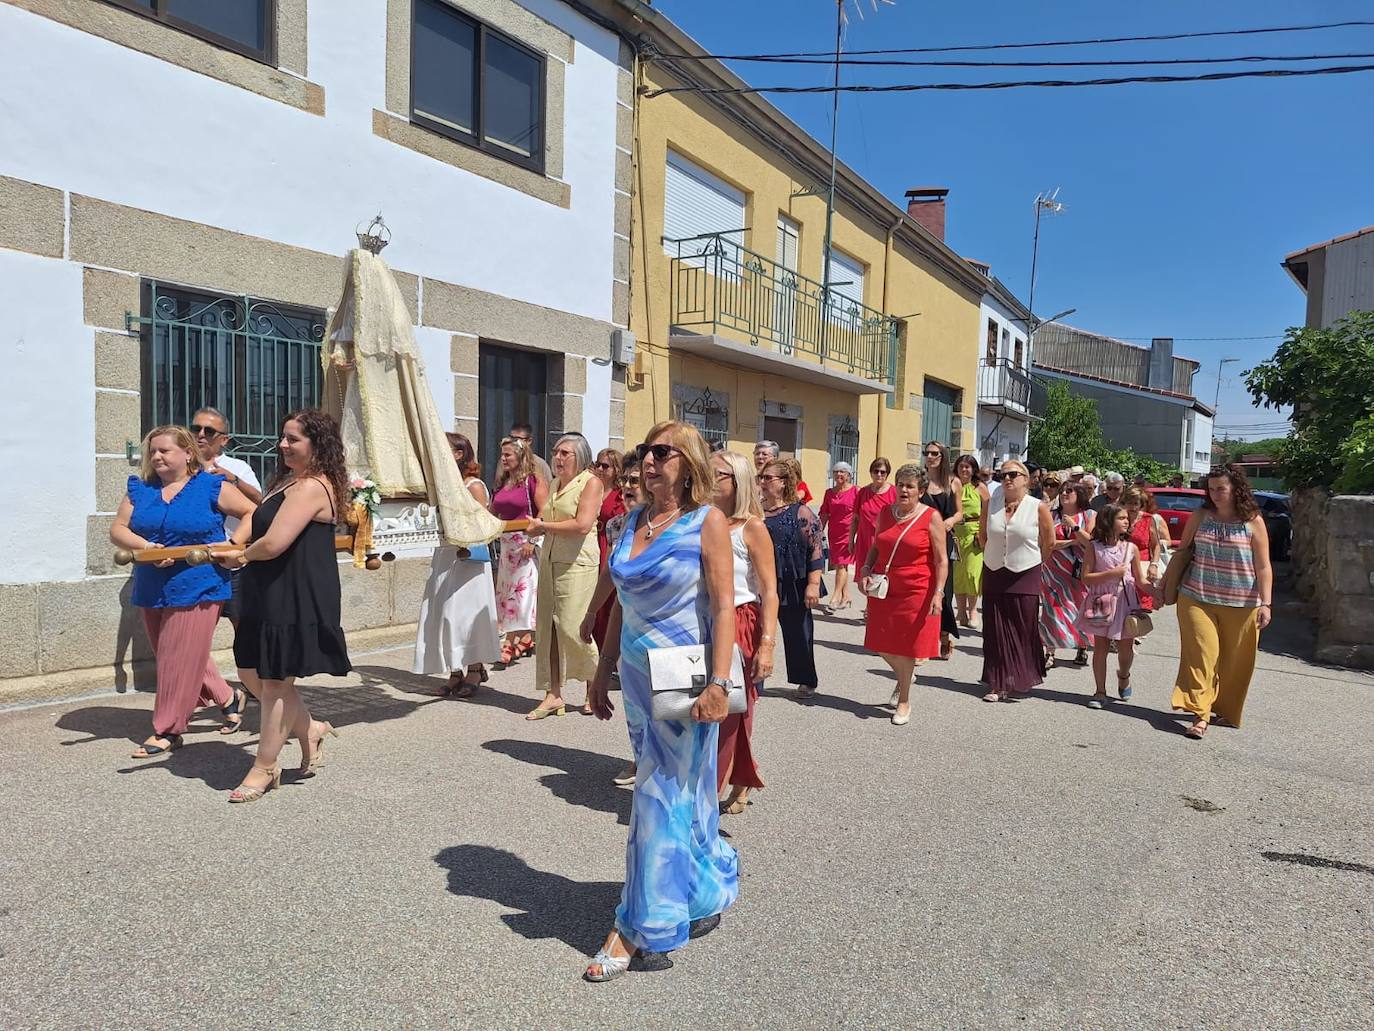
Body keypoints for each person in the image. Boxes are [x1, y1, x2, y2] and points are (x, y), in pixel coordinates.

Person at [583, 421, 738, 981]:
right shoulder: (630, 522)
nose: (648, 461)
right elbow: (623, 599)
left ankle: (636, 924)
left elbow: (723, 607)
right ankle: (704, 884)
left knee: (655, 796)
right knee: (684, 795)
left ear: (688, 464)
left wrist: (719, 683)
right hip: (637, 680)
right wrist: (601, 669)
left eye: (661, 453)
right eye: (644, 452)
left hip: (685, 681)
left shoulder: (707, 522)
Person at [215, 409, 351, 802]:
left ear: (317, 445)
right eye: (283, 437)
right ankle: (310, 728)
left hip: (295, 591)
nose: (283, 445)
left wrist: (241, 555)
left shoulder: (312, 487)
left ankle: (264, 767)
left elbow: (276, 542)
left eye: (293, 439)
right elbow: (255, 521)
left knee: (275, 681)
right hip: (265, 586)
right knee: (252, 672)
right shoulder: (288, 481)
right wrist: (238, 547)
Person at [111, 425, 256, 757]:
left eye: (165, 450)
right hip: (151, 586)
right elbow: (118, 529)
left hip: (199, 584)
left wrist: (234, 544)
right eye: (153, 451)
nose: (157, 456)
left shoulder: (209, 486)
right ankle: (228, 697)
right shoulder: (141, 489)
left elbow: (251, 512)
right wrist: (147, 546)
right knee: (179, 654)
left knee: (177, 659)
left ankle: (168, 729)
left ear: (188, 453)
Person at [1169, 464, 1272, 740]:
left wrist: (1266, 603)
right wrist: (1163, 585)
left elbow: (1263, 566)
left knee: (1234, 662)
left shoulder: (1253, 521)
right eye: (1211, 489)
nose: (1215, 494)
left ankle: (1225, 709)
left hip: (1242, 603)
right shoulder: (1201, 515)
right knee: (1202, 656)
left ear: (1236, 488)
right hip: (1196, 597)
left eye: (1221, 488)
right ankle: (1200, 714)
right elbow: (1182, 551)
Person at [710, 450, 779, 814]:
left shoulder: (751, 527)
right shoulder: (703, 519)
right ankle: (733, 779)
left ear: (737, 481)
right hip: (706, 618)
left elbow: (769, 590)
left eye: (717, 474)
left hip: (741, 619)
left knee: (736, 707)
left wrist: (767, 645)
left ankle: (722, 785)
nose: (707, 479)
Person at [413, 433, 500, 698]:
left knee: (466, 613)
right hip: (445, 554)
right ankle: (454, 671)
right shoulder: (443, 485)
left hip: (467, 558)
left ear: (460, 454)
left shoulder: (473, 485)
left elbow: (482, 524)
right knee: (445, 613)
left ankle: (475, 668)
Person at [524, 433, 604, 719]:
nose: (557, 458)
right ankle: (553, 693)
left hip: (577, 563)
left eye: (564, 453)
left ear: (580, 457)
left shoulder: (591, 483)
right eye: (556, 452)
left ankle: (594, 684)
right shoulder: (556, 484)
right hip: (550, 560)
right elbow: (548, 521)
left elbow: (583, 524)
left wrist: (543, 525)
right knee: (549, 629)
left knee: (574, 626)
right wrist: (537, 529)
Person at [860, 465, 946, 725]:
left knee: (907, 646)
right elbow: (877, 545)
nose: (904, 490)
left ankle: (904, 700)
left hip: (917, 586)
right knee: (879, 642)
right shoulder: (886, 512)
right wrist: (866, 566)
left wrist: (939, 593)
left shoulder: (931, 517)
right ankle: (905, 677)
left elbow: (942, 561)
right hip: (886, 585)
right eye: (901, 484)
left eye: (910, 486)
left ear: (920, 491)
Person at [978, 459, 1055, 702]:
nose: (1007, 479)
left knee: (1022, 627)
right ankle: (997, 681)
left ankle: (1017, 674)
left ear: (1026, 479)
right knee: (995, 628)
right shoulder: (991, 504)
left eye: (1013, 474)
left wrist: (1034, 561)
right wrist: (993, 555)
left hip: (1025, 571)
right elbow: (983, 536)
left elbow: (1049, 541)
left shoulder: (1037, 506)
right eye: (1003, 475)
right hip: (994, 569)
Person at [191, 407, 262, 636]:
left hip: (232, 562)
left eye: (209, 431)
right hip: (195, 561)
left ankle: (251, 671)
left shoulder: (238, 467)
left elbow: (260, 503)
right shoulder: (181, 466)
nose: (200, 434)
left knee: (243, 628)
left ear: (223, 439)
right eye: (195, 429)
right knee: (196, 632)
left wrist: (234, 480)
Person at [759, 458, 823, 698]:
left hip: (794, 581)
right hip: (763, 580)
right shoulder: (756, 510)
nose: (763, 482)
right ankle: (755, 674)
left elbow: (815, 548)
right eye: (761, 478)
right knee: (758, 630)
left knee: (798, 632)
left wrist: (813, 585)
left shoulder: (801, 511)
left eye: (768, 478)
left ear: (783, 482)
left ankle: (806, 679)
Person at [1077, 503, 1149, 708]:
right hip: (1101, 601)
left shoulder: (1130, 548)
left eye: (1127, 518)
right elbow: (1087, 578)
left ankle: (1124, 675)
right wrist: (1111, 574)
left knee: (1125, 648)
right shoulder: (1094, 547)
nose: (1127, 521)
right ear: (1109, 521)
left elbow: (1141, 580)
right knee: (1100, 647)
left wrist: (1158, 594)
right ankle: (1100, 691)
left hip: (1125, 603)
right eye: (1122, 518)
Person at [490, 437, 548, 665]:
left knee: (520, 594)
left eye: (508, 455)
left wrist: (533, 541)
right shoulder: (503, 482)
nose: (503, 459)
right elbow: (493, 510)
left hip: (525, 543)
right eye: (502, 455)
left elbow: (544, 511)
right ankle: (523, 638)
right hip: (506, 546)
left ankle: (509, 644)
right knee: (506, 594)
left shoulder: (533, 481)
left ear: (520, 456)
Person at [1040, 481, 1095, 670]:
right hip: (1052, 571)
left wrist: (1074, 527)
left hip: (1080, 571)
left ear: (1079, 494)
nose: (1064, 493)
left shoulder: (1089, 515)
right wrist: (1072, 541)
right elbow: (1047, 542)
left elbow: (1091, 543)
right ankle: (1050, 652)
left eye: (1069, 491)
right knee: (1051, 610)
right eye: (1062, 490)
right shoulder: (1051, 515)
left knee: (1081, 608)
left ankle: (1082, 646)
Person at [920, 441, 962, 659]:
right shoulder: (921, 481)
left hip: (943, 539)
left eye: (934, 453)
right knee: (924, 590)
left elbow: (959, 514)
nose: (930, 456)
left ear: (943, 456)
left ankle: (944, 636)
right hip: (921, 538)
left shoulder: (953, 482)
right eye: (926, 453)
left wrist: (949, 522)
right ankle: (924, 641)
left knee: (943, 592)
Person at [590, 448, 627, 649]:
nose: (600, 469)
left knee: (607, 602)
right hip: (591, 543)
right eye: (598, 464)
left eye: (606, 466)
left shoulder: (619, 495)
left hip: (607, 543)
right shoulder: (592, 488)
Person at [951, 454, 989, 627]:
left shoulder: (980, 487)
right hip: (956, 532)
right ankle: (961, 612)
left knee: (973, 573)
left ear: (974, 469)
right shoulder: (952, 485)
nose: (964, 470)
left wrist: (983, 534)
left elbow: (987, 512)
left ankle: (973, 611)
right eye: (961, 466)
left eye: (968, 467)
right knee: (958, 574)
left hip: (975, 532)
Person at [850, 458, 894, 604]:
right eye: (876, 471)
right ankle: (871, 605)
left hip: (883, 540)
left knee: (881, 575)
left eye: (883, 472)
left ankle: (873, 608)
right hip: (864, 539)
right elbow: (855, 518)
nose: (879, 475)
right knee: (865, 576)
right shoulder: (863, 492)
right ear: (871, 473)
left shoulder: (894, 492)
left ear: (887, 474)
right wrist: (851, 541)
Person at [818, 461, 858, 611]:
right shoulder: (829, 492)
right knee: (841, 564)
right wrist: (819, 531)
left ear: (849, 475)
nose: (839, 475)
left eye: (842, 472)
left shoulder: (856, 491)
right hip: (834, 532)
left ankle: (834, 598)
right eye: (836, 472)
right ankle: (846, 597)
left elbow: (860, 513)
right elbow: (824, 513)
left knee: (841, 564)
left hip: (849, 533)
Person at [1121, 486, 1161, 615]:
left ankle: (1136, 631)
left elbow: (1156, 545)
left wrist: (1154, 565)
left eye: (1136, 504)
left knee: (1141, 607)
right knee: (1122, 605)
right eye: (1129, 503)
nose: (1132, 507)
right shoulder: (1118, 518)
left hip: (1142, 566)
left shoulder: (1148, 519)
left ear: (1141, 504)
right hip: (1121, 564)